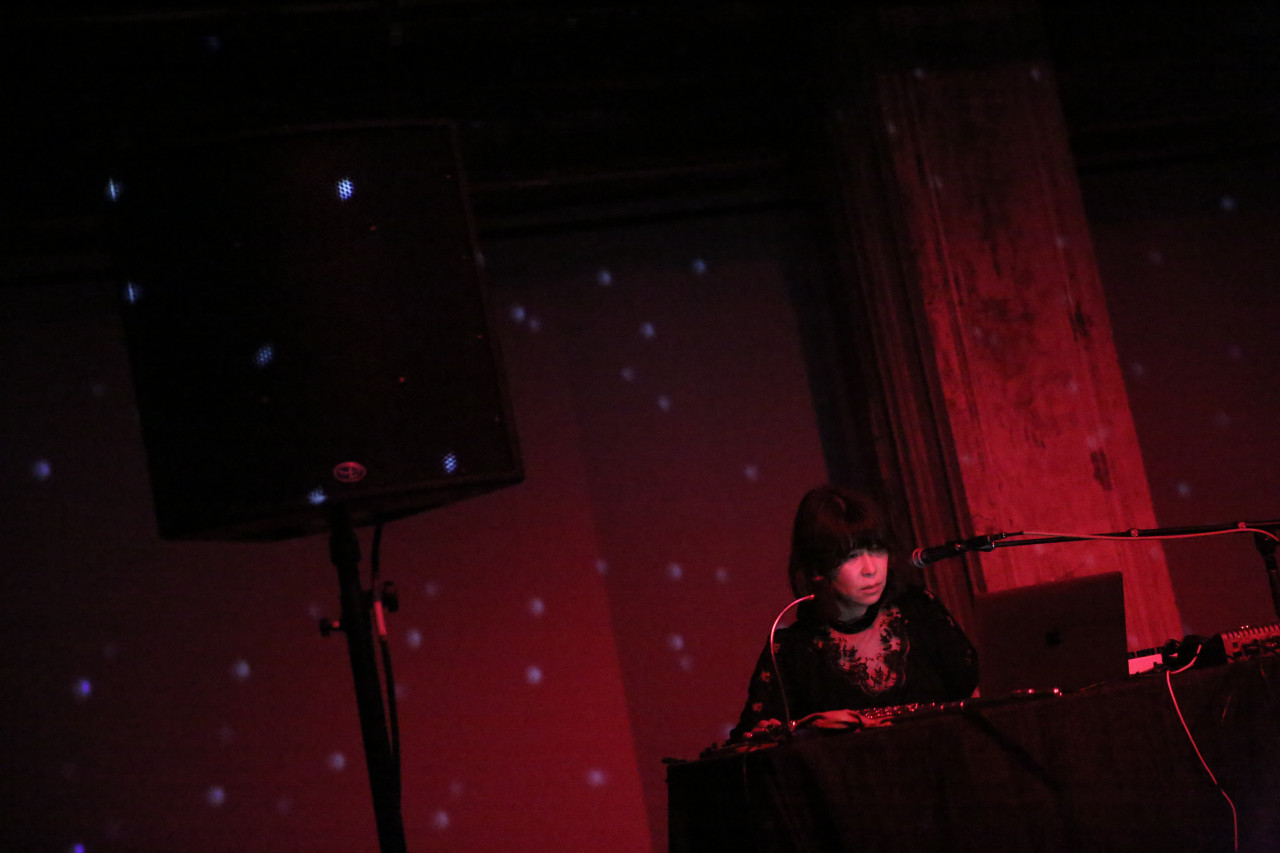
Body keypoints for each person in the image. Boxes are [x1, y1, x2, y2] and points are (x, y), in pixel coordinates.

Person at [730, 485, 978, 741]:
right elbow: (747, 746)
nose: (871, 568)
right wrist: (804, 729)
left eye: (877, 549)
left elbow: (976, 697)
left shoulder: (920, 610)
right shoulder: (790, 651)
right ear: (818, 566)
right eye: (852, 555)